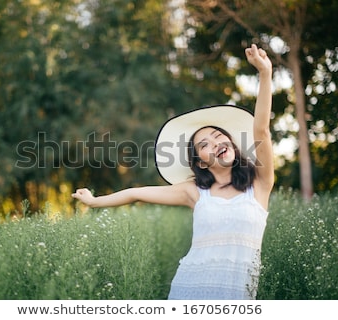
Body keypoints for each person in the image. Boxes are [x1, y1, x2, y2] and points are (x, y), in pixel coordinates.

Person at [72, 44, 274, 300]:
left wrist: (265, 74)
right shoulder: (195, 192)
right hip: (189, 292)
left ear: (231, 144)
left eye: (218, 136)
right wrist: (94, 201)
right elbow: (136, 193)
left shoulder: (260, 183)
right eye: (205, 145)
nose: (216, 143)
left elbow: (262, 131)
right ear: (201, 163)